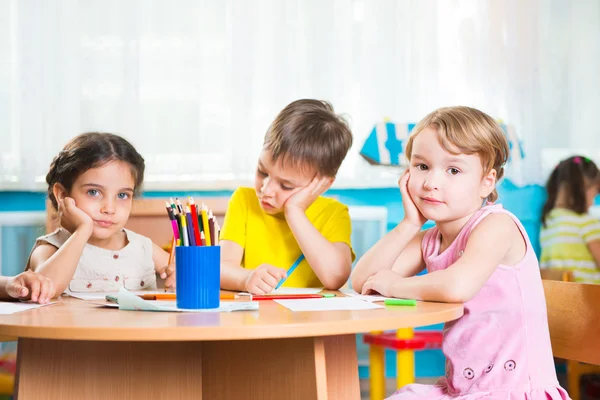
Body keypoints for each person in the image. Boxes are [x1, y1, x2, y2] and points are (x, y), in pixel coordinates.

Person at [351, 106, 569, 399]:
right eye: (422, 166)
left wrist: (394, 284)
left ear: (486, 182)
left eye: (453, 170)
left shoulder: (497, 225)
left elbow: (458, 285)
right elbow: (363, 281)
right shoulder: (430, 238)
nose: (431, 183)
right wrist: (408, 223)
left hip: (515, 391)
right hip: (464, 391)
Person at [220, 99, 355, 294]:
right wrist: (245, 279)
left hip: (309, 323)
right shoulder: (244, 200)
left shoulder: (334, 213)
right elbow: (222, 267)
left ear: (322, 184)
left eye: (286, 185)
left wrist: (295, 211)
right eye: (262, 172)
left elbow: (335, 277)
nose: (266, 190)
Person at [26, 132, 175, 294]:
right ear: (62, 195)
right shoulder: (49, 248)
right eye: (93, 192)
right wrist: (83, 230)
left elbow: (183, 277)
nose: (109, 208)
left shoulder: (143, 248)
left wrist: (178, 276)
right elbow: (44, 290)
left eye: (122, 195)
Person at [540, 155, 600, 283]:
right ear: (584, 188)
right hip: (587, 300)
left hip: (556, 298)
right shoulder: (587, 223)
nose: (593, 202)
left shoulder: (548, 223)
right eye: (595, 193)